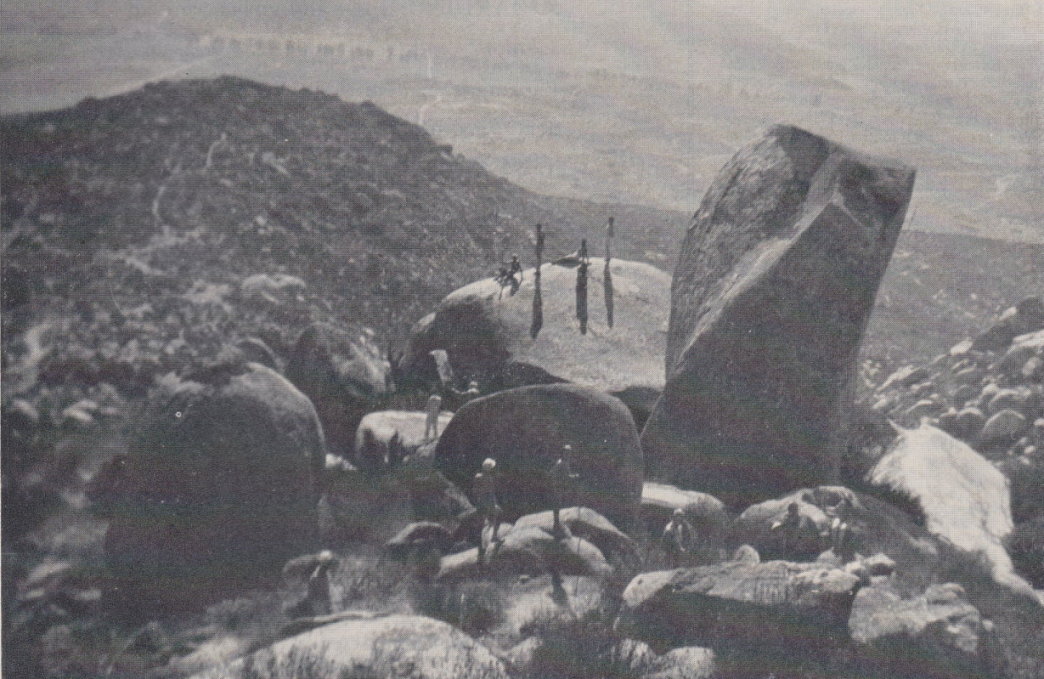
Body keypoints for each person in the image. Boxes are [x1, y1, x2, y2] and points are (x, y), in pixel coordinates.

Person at [473, 458, 501, 561]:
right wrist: (494, 504)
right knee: (497, 516)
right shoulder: (488, 478)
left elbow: (475, 491)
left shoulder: (478, 477)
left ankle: (481, 547)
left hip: (481, 503)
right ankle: (493, 536)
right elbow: (490, 493)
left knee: (481, 524)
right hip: (487, 502)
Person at [549, 447, 579, 537]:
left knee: (559, 502)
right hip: (559, 485)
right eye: (567, 453)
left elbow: (552, 472)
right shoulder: (562, 463)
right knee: (558, 503)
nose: (568, 455)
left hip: (560, 485)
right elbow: (563, 475)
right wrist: (574, 476)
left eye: (569, 453)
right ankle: (556, 522)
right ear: (563, 453)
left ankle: (557, 521)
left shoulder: (562, 462)